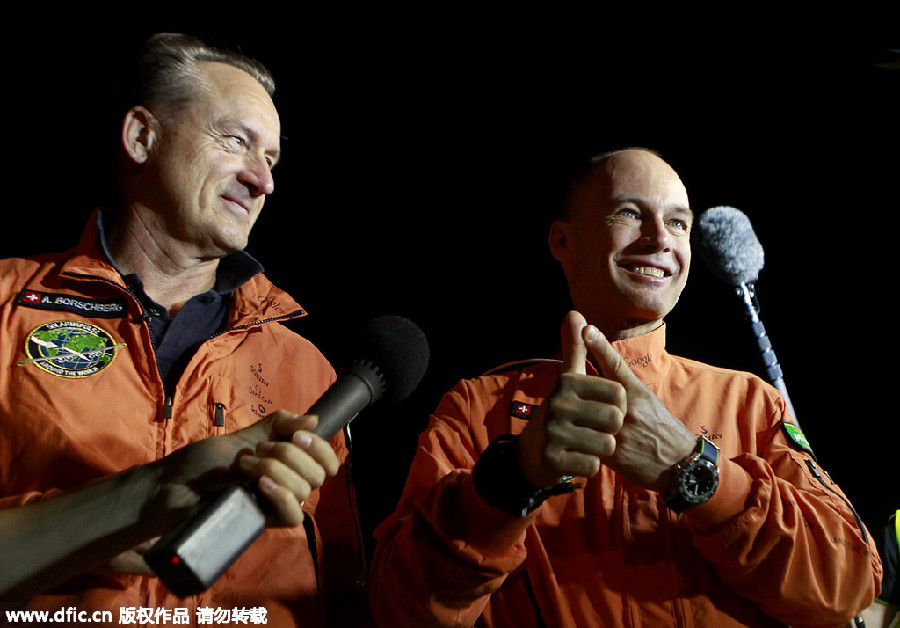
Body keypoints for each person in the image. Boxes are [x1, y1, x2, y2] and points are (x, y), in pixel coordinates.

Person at [368, 148, 882, 626]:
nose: (660, 238)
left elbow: (850, 585)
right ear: (561, 241)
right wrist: (511, 481)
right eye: (629, 213)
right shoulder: (478, 407)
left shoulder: (749, 401)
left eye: (678, 223)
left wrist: (690, 467)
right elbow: (399, 608)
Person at [0, 33, 370, 626]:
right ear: (141, 137)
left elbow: (344, 591)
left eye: (271, 159)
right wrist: (107, 516)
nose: (262, 181)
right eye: (236, 141)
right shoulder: (4, 307)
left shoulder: (306, 368)